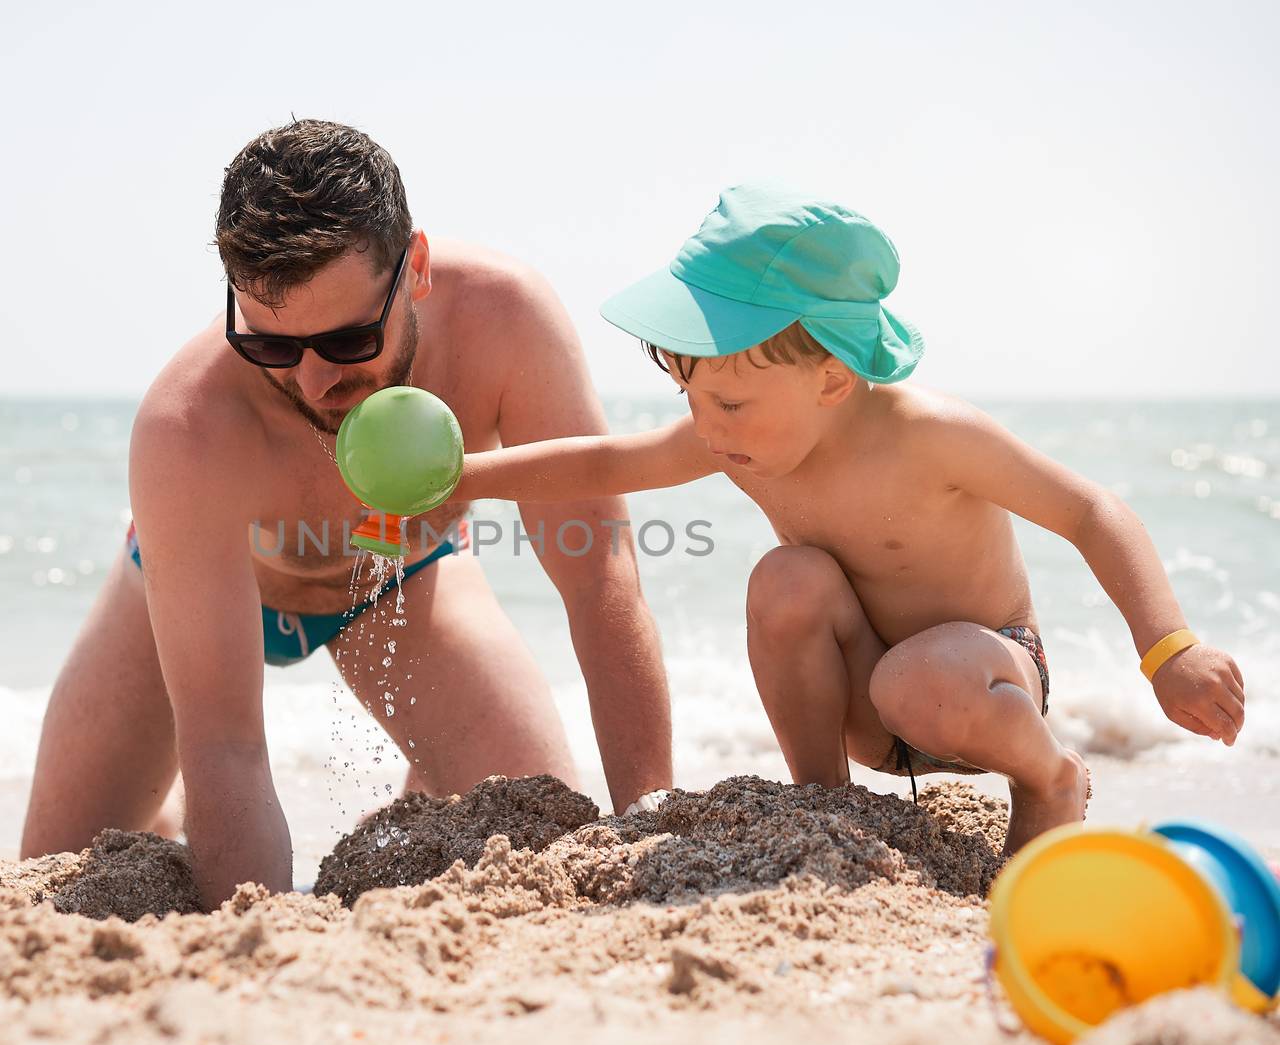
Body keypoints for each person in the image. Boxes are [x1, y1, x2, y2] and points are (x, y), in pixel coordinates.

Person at [454, 184, 1246, 853]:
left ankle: (1051, 778)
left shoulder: (930, 436)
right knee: (785, 581)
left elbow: (1089, 510)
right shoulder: (739, 437)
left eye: (727, 401)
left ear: (832, 379)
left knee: (919, 676)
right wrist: (461, 479)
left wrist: (1168, 648)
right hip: (875, 701)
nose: (709, 427)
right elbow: (605, 462)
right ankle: (821, 803)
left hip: (987, 683)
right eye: (689, 398)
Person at [19, 120, 673, 903]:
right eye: (272, 347)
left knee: (538, 835)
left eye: (350, 339)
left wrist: (649, 830)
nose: (314, 382)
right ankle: (168, 820)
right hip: (204, 593)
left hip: (398, 568)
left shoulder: (505, 321)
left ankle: (417, 803)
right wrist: (253, 929)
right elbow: (225, 741)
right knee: (50, 877)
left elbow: (600, 576)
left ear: (417, 269)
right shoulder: (186, 422)